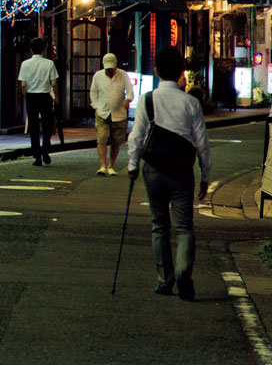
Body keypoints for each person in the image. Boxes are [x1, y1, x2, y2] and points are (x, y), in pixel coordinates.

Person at [127, 46, 211, 301]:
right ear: (180, 72)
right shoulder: (191, 103)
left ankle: (165, 280)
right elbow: (201, 142)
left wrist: (132, 166)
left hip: (153, 169)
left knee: (159, 225)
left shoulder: (147, 100)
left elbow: (137, 136)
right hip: (182, 170)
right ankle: (184, 272)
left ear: (156, 70)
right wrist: (206, 175)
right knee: (184, 227)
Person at [90, 52, 133, 176]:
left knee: (116, 141)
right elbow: (93, 92)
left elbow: (130, 90)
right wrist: (96, 106)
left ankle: (111, 165)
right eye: (108, 69)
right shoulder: (98, 76)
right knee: (102, 138)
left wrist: (128, 100)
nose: (110, 72)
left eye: (112, 69)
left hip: (119, 113)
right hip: (102, 112)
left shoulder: (123, 75)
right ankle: (103, 165)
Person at [17, 38, 58, 166]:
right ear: (44, 49)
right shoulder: (49, 63)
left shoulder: (25, 64)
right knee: (47, 125)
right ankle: (45, 148)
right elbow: (53, 82)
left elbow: (23, 85)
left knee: (33, 126)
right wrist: (55, 97)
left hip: (31, 97)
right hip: (45, 96)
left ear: (30, 49)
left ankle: (37, 156)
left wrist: (26, 97)